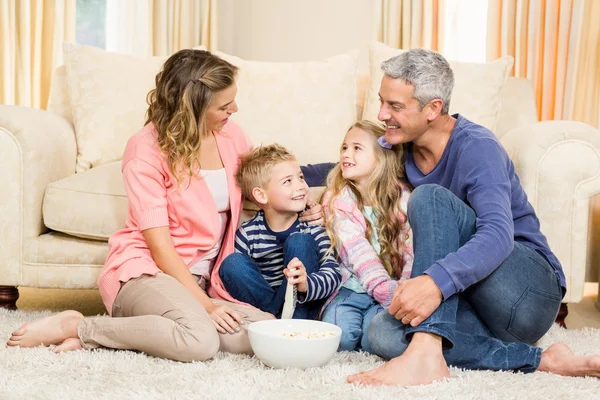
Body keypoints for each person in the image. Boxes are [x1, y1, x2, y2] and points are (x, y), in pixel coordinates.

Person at [6, 49, 323, 361]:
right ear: (195, 108)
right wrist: (206, 305)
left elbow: (264, 180)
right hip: (149, 272)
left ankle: (129, 334)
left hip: (203, 279)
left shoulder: (232, 136)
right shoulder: (144, 150)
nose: (235, 109)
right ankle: (79, 326)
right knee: (199, 342)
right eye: (225, 105)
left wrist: (305, 199)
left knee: (266, 331)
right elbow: (160, 248)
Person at [308, 49, 600, 385]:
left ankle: (425, 349)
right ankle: (542, 360)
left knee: (430, 198)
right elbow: (343, 167)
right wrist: (286, 180)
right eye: (382, 101)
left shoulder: (478, 147)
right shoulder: (398, 148)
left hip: (525, 293)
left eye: (395, 106)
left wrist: (434, 283)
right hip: (471, 303)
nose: (381, 114)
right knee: (382, 332)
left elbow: (497, 236)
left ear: (433, 108)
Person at [319, 120, 413, 352]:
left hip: (392, 288)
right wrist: (386, 292)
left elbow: (411, 250)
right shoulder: (338, 200)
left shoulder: (403, 199)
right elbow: (357, 251)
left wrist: (403, 289)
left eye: (356, 148)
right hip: (350, 289)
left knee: (374, 342)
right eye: (344, 147)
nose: (346, 154)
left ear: (380, 158)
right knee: (339, 339)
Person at [218, 144, 342, 320]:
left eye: (300, 177)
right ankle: (276, 316)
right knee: (231, 264)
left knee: (299, 241)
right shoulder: (248, 233)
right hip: (265, 306)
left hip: (303, 306)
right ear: (261, 196)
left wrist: (306, 284)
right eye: (288, 181)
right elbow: (239, 279)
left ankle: (286, 319)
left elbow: (333, 274)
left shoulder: (312, 225)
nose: (301, 186)